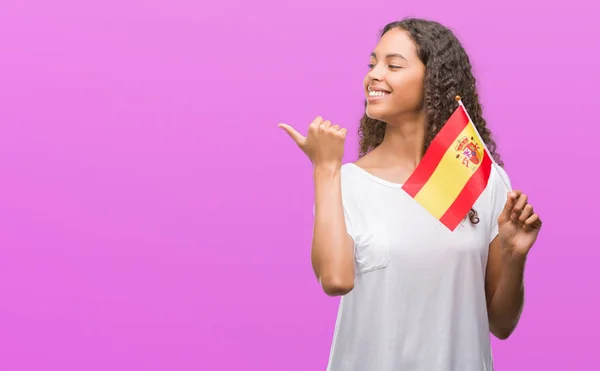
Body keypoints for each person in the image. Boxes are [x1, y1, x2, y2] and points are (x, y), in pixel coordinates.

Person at [279, 18, 542, 371]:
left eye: (393, 65)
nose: (373, 75)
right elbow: (335, 280)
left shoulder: (479, 180)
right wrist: (325, 168)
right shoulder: (349, 182)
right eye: (372, 64)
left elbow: (501, 323)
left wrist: (513, 256)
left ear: (433, 79)